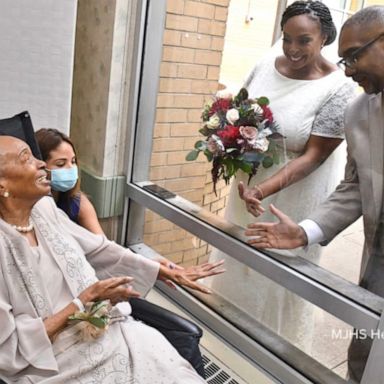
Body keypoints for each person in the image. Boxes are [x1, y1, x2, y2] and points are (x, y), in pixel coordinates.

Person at [0, 135, 225, 383]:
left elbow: (98, 250)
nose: (41, 163)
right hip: (55, 362)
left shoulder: (45, 209)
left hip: (107, 331)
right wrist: (82, 302)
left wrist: (163, 271)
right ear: (2, 186)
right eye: (26, 158)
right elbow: (9, 350)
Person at [245, 5, 384, 382]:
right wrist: (306, 231)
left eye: (354, 56)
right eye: (344, 60)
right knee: (368, 354)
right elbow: (355, 185)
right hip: (379, 262)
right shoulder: (359, 112)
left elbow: (315, 156)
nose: (349, 69)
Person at [210, 0, 356, 353]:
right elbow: (240, 111)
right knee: (238, 268)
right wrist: (226, 147)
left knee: (277, 283)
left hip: (294, 198)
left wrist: (263, 188)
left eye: (303, 40)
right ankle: (227, 342)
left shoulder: (339, 88)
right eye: (286, 37)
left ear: (324, 38)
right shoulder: (264, 64)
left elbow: (315, 155)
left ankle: (273, 357)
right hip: (249, 192)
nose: (292, 48)